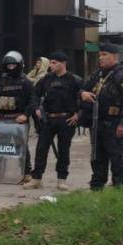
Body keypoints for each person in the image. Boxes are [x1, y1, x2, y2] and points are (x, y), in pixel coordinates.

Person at [80, 44, 123, 191]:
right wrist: (83, 94)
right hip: (96, 122)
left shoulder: (122, 75)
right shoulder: (98, 74)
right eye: (100, 55)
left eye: (105, 55)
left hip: (114, 123)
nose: (101, 58)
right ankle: (97, 185)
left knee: (116, 155)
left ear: (115, 56)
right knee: (97, 156)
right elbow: (83, 88)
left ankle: (119, 184)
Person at [25, 52, 82, 191]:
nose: (51, 65)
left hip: (66, 119)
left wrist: (78, 115)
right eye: (50, 62)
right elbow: (34, 95)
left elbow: (84, 99)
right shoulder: (46, 79)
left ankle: (62, 179)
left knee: (63, 150)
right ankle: (36, 179)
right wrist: (36, 108)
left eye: (54, 62)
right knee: (41, 149)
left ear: (64, 63)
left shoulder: (74, 80)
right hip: (48, 119)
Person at [0, 51, 35, 181]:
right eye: (8, 65)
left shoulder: (26, 82)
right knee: (0, 146)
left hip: (19, 120)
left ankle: (26, 172)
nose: (11, 68)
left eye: (13, 65)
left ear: (19, 65)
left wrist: (26, 115)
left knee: (22, 145)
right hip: (2, 119)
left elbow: (33, 101)